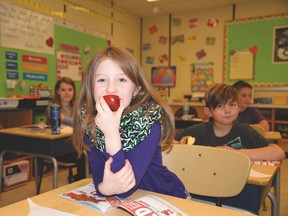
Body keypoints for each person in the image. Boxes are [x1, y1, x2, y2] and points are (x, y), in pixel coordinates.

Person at [72, 46, 188, 199]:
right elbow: (101, 179)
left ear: (136, 90)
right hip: (129, 202)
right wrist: (104, 188)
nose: (111, 88)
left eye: (121, 80)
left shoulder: (148, 124)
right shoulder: (91, 124)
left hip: (166, 198)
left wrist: (111, 133)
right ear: (91, 88)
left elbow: (124, 189)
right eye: (101, 80)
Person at [174, 83, 285, 213]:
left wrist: (237, 154)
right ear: (208, 111)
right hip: (202, 191)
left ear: (238, 107)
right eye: (220, 106)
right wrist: (180, 145)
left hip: (237, 193)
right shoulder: (198, 130)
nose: (227, 110)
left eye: (232, 105)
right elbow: (169, 143)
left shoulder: (245, 131)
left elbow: (278, 152)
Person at [47, 77, 86, 182]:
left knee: (93, 150)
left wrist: (64, 119)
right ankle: (79, 180)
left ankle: (78, 178)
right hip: (59, 148)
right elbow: (76, 123)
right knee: (82, 155)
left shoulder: (77, 106)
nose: (67, 93)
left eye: (70, 89)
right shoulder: (53, 107)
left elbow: (81, 124)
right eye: (63, 90)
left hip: (75, 144)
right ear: (57, 91)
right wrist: (69, 121)